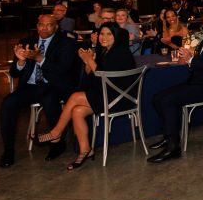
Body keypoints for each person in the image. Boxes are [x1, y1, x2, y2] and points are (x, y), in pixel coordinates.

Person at [33, 23, 136, 170]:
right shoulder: (104, 51)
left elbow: (105, 77)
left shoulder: (121, 52)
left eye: (108, 34)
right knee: (77, 111)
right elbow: (94, 80)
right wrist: (88, 64)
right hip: (107, 96)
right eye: (101, 34)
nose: (103, 37)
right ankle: (85, 150)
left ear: (116, 36)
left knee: (75, 97)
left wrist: (90, 61)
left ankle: (56, 133)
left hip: (120, 99)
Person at [147, 7, 203, 163]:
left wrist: (191, 59)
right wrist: (188, 58)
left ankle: (173, 147)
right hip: (196, 83)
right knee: (157, 97)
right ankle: (168, 135)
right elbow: (200, 63)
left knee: (167, 100)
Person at [0, 14, 79, 168]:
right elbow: (14, 73)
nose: (44, 28)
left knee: (49, 98)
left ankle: (57, 143)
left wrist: (40, 59)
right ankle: (8, 150)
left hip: (53, 85)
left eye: (49, 25)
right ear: (37, 26)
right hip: (30, 87)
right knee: (7, 104)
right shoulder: (26, 42)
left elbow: (62, 71)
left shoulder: (66, 43)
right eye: (41, 25)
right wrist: (21, 61)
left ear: (56, 27)